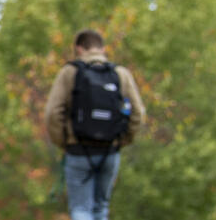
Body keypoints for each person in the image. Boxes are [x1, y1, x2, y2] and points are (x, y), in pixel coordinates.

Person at [42, 29, 146, 220]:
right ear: (103, 49)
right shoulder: (120, 74)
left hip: (78, 149)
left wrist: (65, 142)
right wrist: (123, 139)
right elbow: (138, 112)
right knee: (101, 208)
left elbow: (52, 113)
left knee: (81, 209)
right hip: (110, 150)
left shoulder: (70, 72)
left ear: (78, 48)